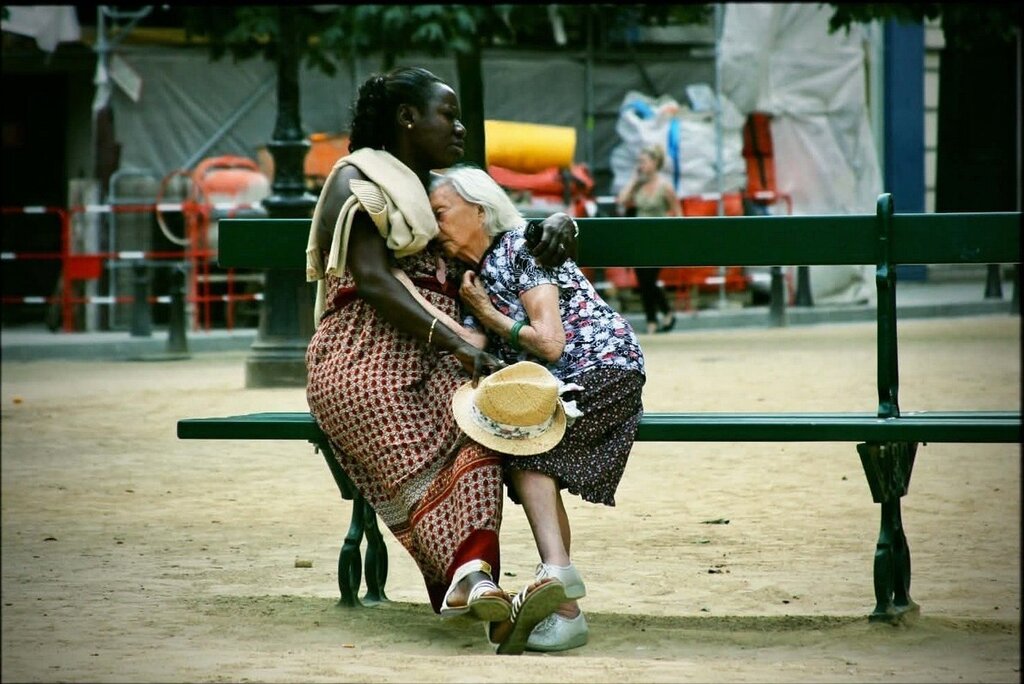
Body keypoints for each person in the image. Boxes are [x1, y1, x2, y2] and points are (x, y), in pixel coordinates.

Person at [303, 66, 579, 655]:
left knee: (481, 429)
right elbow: (375, 281)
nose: (459, 128)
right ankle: (472, 582)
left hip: (449, 355)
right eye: (446, 115)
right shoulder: (359, 180)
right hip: (362, 352)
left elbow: (508, 227)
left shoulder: (442, 188)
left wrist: (562, 222)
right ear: (407, 118)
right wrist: (459, 346)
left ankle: (473, 579)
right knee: (389, 410)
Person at [429, 165, 647, 653]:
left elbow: (550, 342)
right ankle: (562, 596)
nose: (434, 225)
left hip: (601, 369)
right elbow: (471, 343)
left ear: (479, 209)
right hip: (554, 388)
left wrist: (486, 313)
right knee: (525, 452)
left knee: (528, 452)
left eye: (440, 212)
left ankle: (561, 588)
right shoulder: (473, 276)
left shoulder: (522, 247)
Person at [615, 144, 680, 334]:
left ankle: (662, 314)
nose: (640, 165)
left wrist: (672, 233)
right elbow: (621, 200)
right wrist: (634, 180)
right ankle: (653, 319)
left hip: (658, 239)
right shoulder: (639, 186)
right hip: (640, 239)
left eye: (644, 161)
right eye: (639, 162)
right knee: (643, 280)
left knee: (649, 279)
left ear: (655, 162)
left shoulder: (665, 186)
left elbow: (678, 212)